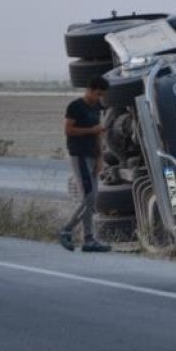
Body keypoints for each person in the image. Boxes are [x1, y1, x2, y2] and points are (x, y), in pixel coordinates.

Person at [58, 77, 112, 253]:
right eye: (98, 94)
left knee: (92, 198)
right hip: (79, 155)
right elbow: (68, 130)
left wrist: (100, 157)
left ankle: (89, 240)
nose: (99, 98)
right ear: (89, 89)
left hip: (92, 155)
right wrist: (91, 130)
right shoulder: (75, 106)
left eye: (102, 95)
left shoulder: (96, 107)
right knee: (88, 196)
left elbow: (99, 134)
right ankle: (66, 229)